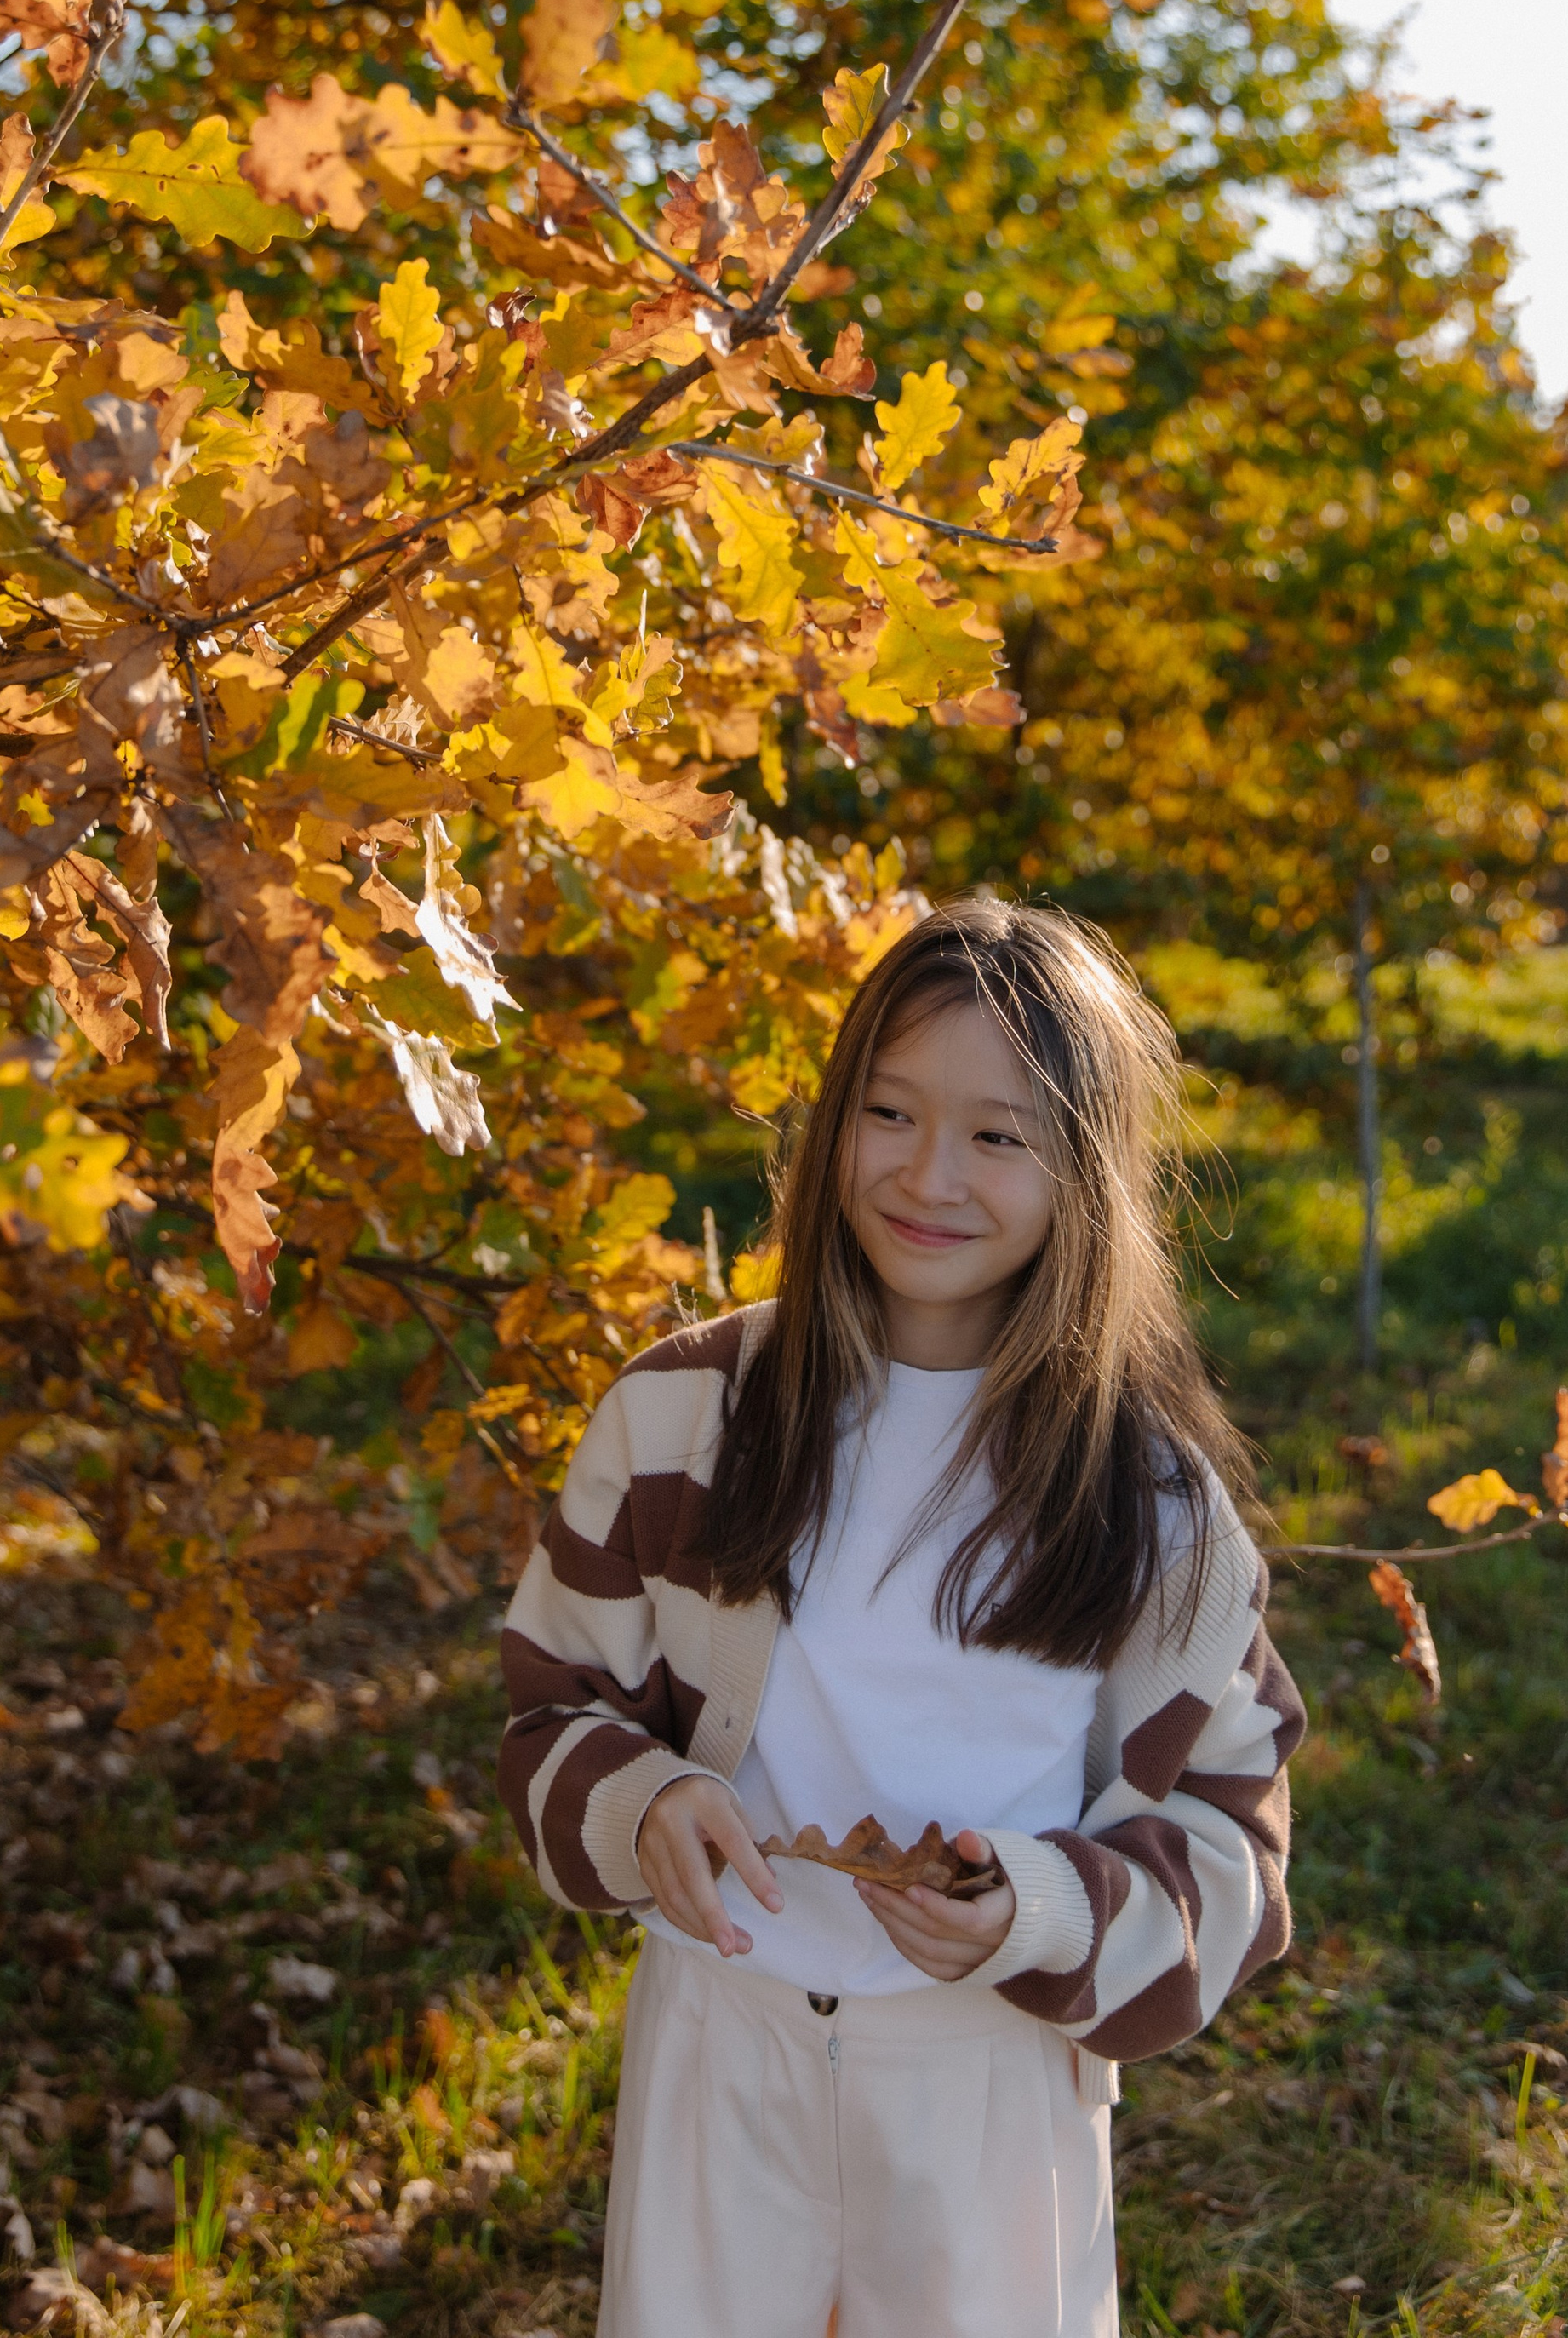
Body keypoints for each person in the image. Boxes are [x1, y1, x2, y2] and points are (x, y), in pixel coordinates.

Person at [497, 895, 1304, 2338]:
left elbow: (1232, 1852)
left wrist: (1043, 1912)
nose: (931, 1174)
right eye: (889, 1111)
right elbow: (555, 1705)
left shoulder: (1150, 1504)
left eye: (1001, 1136)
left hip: (988, 2077)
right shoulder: (683, 1415)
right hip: (719, 2046)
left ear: (1087, 1175)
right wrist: (644, 1805)